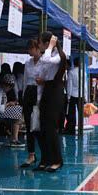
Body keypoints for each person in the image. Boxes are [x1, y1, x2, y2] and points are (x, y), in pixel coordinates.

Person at [35, 32, 66, 173]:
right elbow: (43, 67)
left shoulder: (59, 55)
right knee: (43, 128)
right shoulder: (48, 54)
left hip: (55, 93)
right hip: (47, 91)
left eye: (40, 43)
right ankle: (45, 159)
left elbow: (47, 61)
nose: (39, 45)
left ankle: (57, 160)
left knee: (51, 127)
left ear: (47, 43)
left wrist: (50, 46)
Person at [20, 39, 42, 168]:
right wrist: (23, 96)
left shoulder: (44, 62)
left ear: (37, 48)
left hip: (39, 92)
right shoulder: (27, 63)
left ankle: (44, 154)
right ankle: (31, 154)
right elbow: (24, 80)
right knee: (29, 125)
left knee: (39, 125)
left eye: (31, 48)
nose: (29, 51)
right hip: (29, 92)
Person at [0, 74, 24, 147]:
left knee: (18, 109)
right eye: (8, 86)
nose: (9, 88)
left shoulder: (2, 91)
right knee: (18, 111)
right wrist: (8, 104)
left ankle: (14, 138)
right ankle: (14, 140)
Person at [64, 57, 81, 136]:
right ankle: (80, 128)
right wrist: (85, 95)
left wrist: (68, 96)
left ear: (74, 63)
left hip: (73, 95)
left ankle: (72, 130)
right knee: (80, 113)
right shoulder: (83, 72)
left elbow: (69, 86)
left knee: (71, 114)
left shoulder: (71, 72)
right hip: (81, 95)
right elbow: (84, 85)